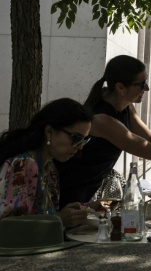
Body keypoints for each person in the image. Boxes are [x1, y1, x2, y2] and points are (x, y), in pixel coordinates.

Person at [55, 55, 151, 206]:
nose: (147, 88)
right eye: (141, 84)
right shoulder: (105, 121)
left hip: (84, 194)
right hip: (67, 194)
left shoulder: (126, 108)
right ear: (120, 88)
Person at [0, 98, 93, 228]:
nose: (80, 147)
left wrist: (78, 212)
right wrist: (59, 219)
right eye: (76, 138)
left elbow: (42, 217)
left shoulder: (49, 167)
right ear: (49, 132)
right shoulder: (24, 165)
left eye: (84, 141)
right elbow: (9, 228)